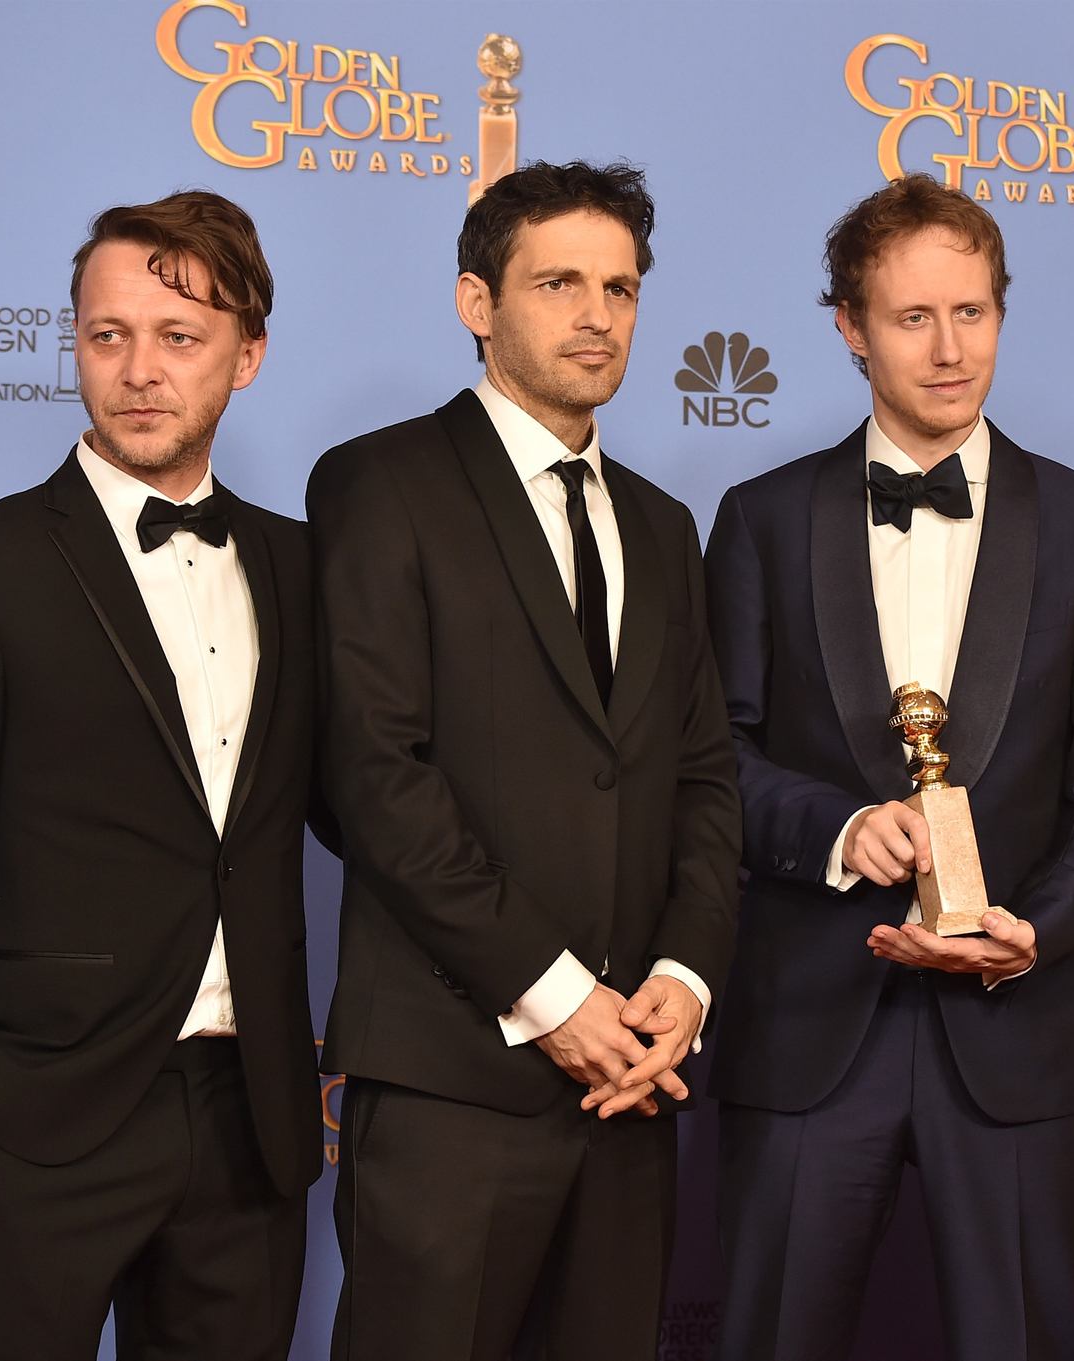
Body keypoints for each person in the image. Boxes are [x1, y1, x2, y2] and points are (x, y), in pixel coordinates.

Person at [704, 172, 1074, 1360]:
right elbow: (712, 768)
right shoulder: (757, 515)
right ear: (849, 329)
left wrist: (1034, 928)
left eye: (974, 311)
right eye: (912, 318)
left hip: (1014, 1036)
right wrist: (841, 830)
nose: (950, 349)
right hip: (807, 1031)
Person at [0, 191, 325, 1359]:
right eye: (106, 334)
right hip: (37, 1117)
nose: (138, 370)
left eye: (180, 338)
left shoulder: (303, 563)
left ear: (249, 355)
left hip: (255, 1121)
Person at [308, 160, 740, 1360]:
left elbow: (704, 776)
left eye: (620, 286)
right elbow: (375, 776)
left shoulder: (662, 523)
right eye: (558, 282)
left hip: (631, 1088)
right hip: (453, 1079)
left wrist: (685, 978)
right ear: (475, 300)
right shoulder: (378, 482)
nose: (597, 314)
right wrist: (554, 997)